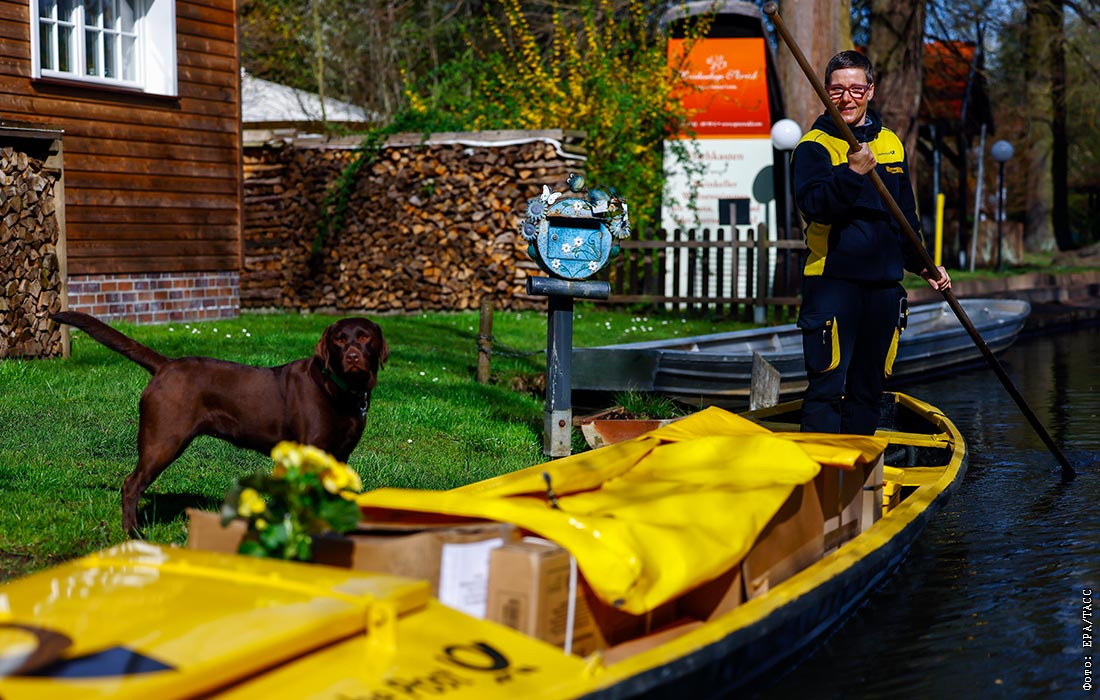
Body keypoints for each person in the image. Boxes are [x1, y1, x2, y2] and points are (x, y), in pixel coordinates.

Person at [791, 50, 950, 435]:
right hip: (833, 283)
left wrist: (924, 264)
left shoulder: (891, 144)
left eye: (855, 89)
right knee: (827, 389)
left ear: (870, 91)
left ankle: (860, 470)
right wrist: (852, 173)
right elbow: (816, 207)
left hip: (883, 287)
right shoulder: (813, 147)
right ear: (825, 92)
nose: (846, 98)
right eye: (836, 90)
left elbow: (904, 215)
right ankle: (822, 470)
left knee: (868, 391)